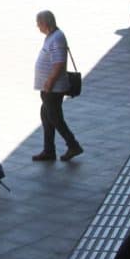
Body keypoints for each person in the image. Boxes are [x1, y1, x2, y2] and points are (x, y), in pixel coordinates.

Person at [32, 10, 83, 162]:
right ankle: (49, 150)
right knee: (46, 116)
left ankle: (73, 145)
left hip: (53, 88)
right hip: (49, 87)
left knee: (55, 118)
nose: (37, 26)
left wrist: (50, 81)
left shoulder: (57, 38)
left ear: (45, 23)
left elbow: (59, 63)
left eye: (38, 23)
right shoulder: (52, 36)